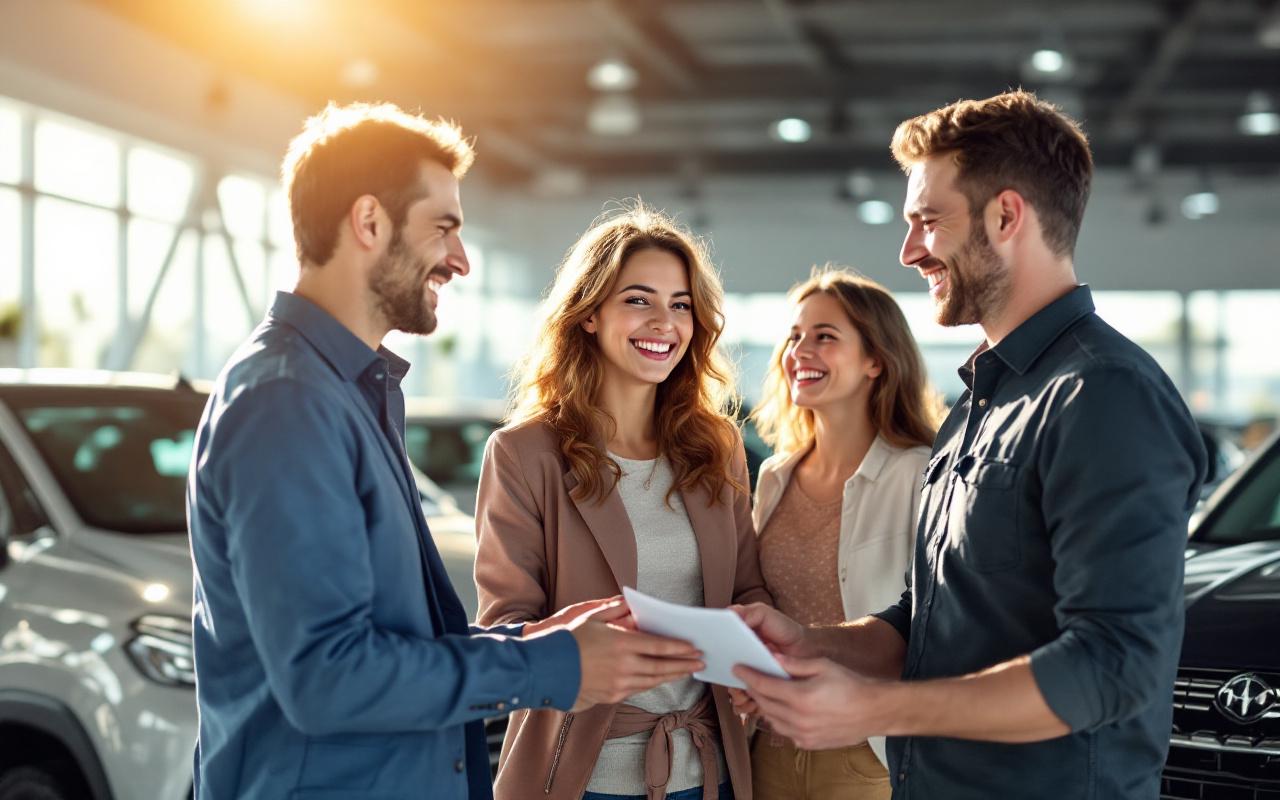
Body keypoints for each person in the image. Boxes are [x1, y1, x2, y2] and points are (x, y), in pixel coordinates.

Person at [186, 104, 703, 800]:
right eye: (444, 228)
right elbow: (327, 679)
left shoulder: (352, 391)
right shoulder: (288, 401)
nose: (460, 260)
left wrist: (535, 646)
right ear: (369, 221)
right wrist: (554, 669)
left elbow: (389, 644)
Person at [729, 89, 1207, 799]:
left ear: (1006, 216)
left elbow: (1114, 664)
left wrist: (874, 709)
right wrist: (813, 643)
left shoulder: (1105, 395)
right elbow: (928, 622)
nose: (908, 251)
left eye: (928, 222)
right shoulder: (979, 401)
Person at [474, 205, 773, 800]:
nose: (664, 322)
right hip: (582, 777)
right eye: (639, 300)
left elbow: (747, 589)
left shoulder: (717, 447)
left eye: (681, 305)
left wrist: (757, 652)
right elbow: (507, 625)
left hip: (709, 771)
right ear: (589, 314)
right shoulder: (524, 452)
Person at [747, 268, 936, 799]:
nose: (800, 351)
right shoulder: (775, 476)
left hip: (866, 753)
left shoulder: (918, 472)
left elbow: (930, 621)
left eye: (824, 336)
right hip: (767, 745)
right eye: (795, 336)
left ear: (876, 360)